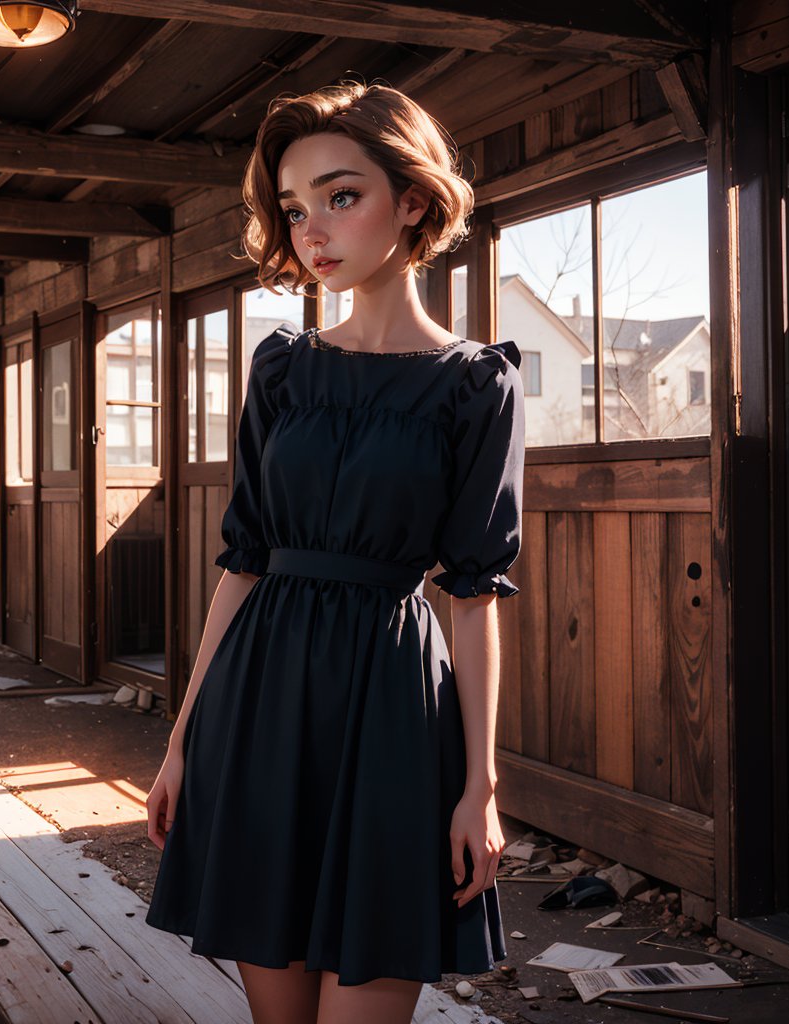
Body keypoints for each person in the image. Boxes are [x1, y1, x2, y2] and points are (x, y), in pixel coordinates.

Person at [143, 80, 523, 1024]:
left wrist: (479, 788)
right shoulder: (281, 368)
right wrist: (183, 740)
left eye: (340, 196)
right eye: (294, 207)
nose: (312, 230)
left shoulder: (477, 385)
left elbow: (472, 594)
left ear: (416, 201)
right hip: (259, 699)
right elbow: (243, 563)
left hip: (392, 706)